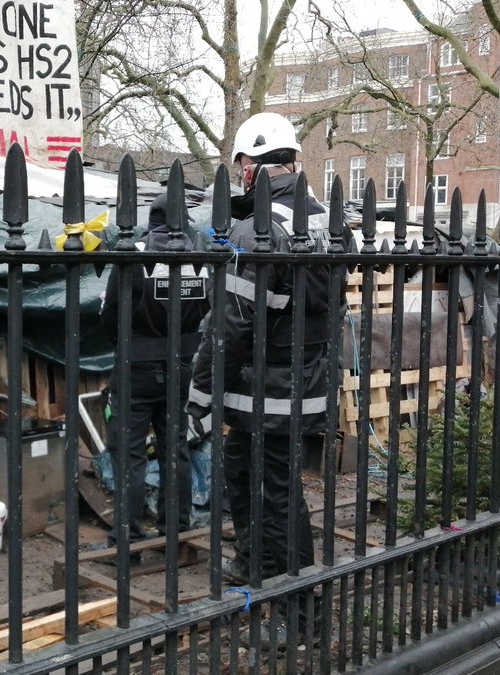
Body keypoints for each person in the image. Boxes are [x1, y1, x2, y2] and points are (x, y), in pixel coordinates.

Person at [187, 112, 351, 635]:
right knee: (243, 470)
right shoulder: (328, 220)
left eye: (241, 166)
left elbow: (230, 326)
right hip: (308, 377)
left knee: (277, 494)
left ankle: (299, 613)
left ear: (250, 166)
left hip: (266, 384)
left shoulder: (257, 228)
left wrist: (201, 392)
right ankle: (253, 564)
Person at [100, 191, 210, 552]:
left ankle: (128, 539)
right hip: (181, 367)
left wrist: (129, 341)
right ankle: (174, 532)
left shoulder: (135, 255)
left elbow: (110, 314)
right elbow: (208, 307)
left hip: (136, 367)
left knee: (129, 455)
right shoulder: (199, 260)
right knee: (176, 450)